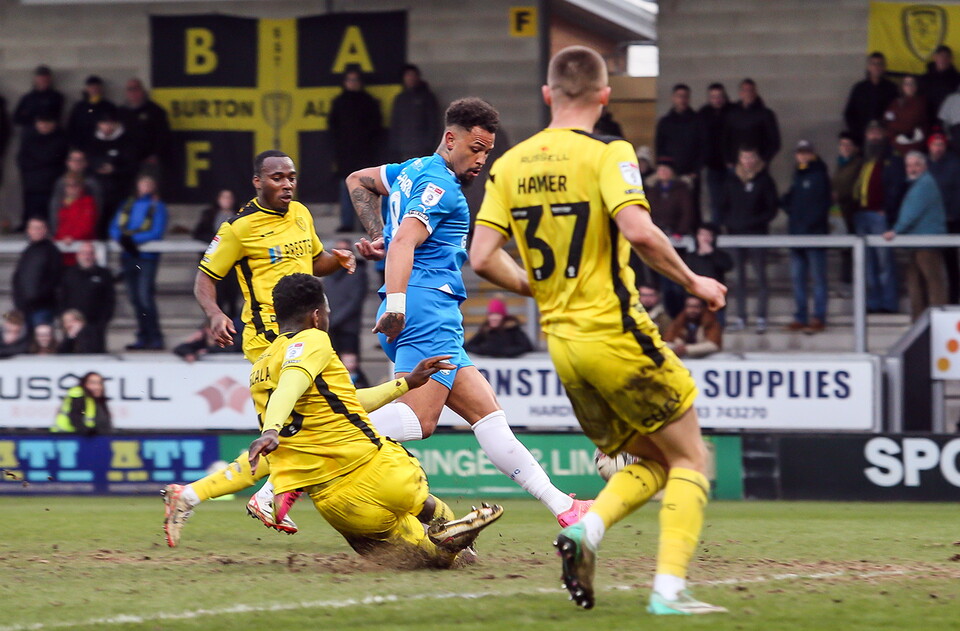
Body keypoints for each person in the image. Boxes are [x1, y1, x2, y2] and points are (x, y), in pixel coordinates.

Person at [469, 45, 727, 615]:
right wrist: (695, 282)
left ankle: (587, 531)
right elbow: (638, 230)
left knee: (654, 462)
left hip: (562, 349)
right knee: (691, 459)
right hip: (615, 333)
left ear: (547, 95)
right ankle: (668, 592)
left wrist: (536, 289)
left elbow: (483, 257)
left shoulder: (509, 165)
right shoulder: (609, 152)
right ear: (605, 96)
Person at [346, 98, 592, 528]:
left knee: (487, 414)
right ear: (450, 138)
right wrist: (400, 300)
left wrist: (377, 236)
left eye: (487, 151)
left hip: (416, 305)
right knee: (419, 421)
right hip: (425, 308)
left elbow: (358, 181)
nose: (481, 159)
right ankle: (311, 451)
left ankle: (564, 506)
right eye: (475, 148)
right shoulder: (441, 187)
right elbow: (405, 241)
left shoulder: (409, 170)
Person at [161, 150, 357, 546]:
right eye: (277, 178)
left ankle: (196, 495)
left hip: (308, 332)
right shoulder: (238, 228)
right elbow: (205, 279)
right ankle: (269, 498)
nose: (286, 184)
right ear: (257, 182)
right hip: (270, 343)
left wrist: (340, 259)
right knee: (312, 428)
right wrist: (215, 315)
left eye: (291, 177)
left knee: (302, 431)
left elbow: (313, 260)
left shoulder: (301, 213)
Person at [244, 273, 504, 567]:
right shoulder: (313, 340)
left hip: (336, 501)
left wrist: (406, 384)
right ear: (316, 316)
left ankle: (447, 548)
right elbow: (291, 384)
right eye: (327, 311)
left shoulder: (261, 364)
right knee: (428, 508)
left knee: (426, 561)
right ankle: (452, 535)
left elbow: (349, 402)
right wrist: (271, 430)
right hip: (378, 470)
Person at [719, 147, 778, 333]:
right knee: (738, 280)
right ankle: (741, 317)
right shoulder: (731, 180)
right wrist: (730, 223)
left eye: (751, 157)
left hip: (757, 235)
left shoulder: (765, 180)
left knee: (761, 277)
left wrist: (755, 222)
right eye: (744, 157)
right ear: (739, 159)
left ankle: (761, 317)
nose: (748, 161)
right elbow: (722, 205)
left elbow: (771, 208)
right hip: (735, 235)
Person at [883, 151, 947, 320]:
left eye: (916, 165)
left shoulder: (924, 185)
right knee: (916, 285)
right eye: (909, 165)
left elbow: (910, 213)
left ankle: (937, 322)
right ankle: (920, 325)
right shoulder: (917, 184)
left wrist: (895, 230)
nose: (912, 169)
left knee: (934, 285)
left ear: (925, 166)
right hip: (917, 244)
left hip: (926, 244)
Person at [109, 174, 166, 350]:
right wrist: (123, 239)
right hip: (128, 256)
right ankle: (143, 336)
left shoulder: (158, 206)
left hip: (146, 257)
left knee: (144, 296)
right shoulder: (128, 204)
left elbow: (156, 232)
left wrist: (132, 240)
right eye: (143, 183)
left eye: (149, 183)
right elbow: (114, 227)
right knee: (134, 298)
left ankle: (154, 336)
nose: (145, 186)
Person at [781, 140, 831, 333]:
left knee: (818, 278)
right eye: (800, 152)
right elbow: (791, 199)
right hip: (797, 236)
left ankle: (818, 317)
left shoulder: (819, 175)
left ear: (813, 153)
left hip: (814, 236)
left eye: (806, 152)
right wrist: (789, 210)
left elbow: (821, 206)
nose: (803, 156)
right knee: (798, 278)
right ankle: (800, 316)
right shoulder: (798, 175)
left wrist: (807, 225)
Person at [854, 120, 903, 314]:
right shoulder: (863, 159)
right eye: (870, 133)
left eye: (877, 132)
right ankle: (873, 302)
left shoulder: (892, 158)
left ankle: (888, 303)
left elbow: (897, 187)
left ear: (884, 135)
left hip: (879, 215)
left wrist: (887, 209)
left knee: (884, 262)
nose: (874, 136)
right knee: (867, 262)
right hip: (861, 215)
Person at [329, 69, 383, 233]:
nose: (352, 83)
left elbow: (376, 127)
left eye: (355, 80)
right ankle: (347, 223)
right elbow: (333, 129)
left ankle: (366, 225)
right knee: (345, 190)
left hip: (365, 155)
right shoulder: (339, 103)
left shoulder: (369, 102)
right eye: (349, 80)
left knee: (365, 192)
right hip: (344, 155)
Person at [87, 106, 139, 238]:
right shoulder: (93, 142)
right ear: (98, 125)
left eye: (110, 123)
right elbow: (89, 165)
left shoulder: (127, 141)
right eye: (104, 123)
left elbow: (132, 166)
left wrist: (114, 170)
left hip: (120, 193)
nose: (107, 126)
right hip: (97, 194)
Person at [191, 189, 241, 319]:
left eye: (229, 198)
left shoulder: (241, 216)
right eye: (224, 197)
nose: (227, 201)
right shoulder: (209, 214)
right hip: (214, 262)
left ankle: (233, 328)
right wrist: (217, 242)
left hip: (233, 265)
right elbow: (198, 233)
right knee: (215, 294)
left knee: (232, 296)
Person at [58, 241, 114, 353]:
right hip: (72, 324)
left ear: (95, 255)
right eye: (84, 253)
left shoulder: (104, 274)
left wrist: (103, 321)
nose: (87, 256)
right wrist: (66, 319)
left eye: (90, 253)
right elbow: (61, 297)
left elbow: (109, 300)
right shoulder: (69, 273)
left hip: (95, 325)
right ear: (78, 255)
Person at [655, 84, 705, 208]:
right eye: (679, 96)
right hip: (670, 172)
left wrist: (696, 171)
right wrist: (664, 168)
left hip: (691, 173)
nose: (682, 100)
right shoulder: (665, 122)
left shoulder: (698, 121)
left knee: (691, 206)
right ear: (673, 98)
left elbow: (703, 147)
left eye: (685, 97)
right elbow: (659, 146)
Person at [16, 112, 68, 229]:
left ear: (53, 124)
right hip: (31, 181)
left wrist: (37, 161)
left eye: (46, 123)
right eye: (40, 123)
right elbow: (21, 159)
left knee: (49, 208)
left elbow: (51, 157)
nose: (43, 126)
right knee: (30, 206)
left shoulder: (61, 138)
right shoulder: (29, 137)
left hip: (51, 181)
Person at [927, 133, 960, 302]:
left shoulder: (954, 164)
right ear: (929, 146)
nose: (938, 148)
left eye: (941, 145)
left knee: (951, 263)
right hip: (931, 223)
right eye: (935, 145)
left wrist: (952, 215)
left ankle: (953, 298)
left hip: (950, 221)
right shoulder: (924, 164)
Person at [12, 218, 62, 329]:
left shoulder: (52, 251)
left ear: (45, 230)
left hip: (43, 308)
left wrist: (37, 297)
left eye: (40, 228)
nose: (37, 231)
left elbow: (54, 278)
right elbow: (18, 277)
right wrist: (19, 301)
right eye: (34, 228)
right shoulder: (27, 251)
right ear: (28, 230)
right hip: (24, 308)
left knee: (42, 342)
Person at [325, 238, 368, 361]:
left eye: (345, 250)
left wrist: (335, 319)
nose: (341, 254)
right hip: (331, 328)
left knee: (350, 363)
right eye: (338, 250)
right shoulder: (328, 273)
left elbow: (355, 300)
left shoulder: (358, 273)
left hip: (348, 328)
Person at [683, 223, 733, 326]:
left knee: (716, 328)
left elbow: (727, 266)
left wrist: (711, 253)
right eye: (702, 234)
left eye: (709, 235)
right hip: (694, 300)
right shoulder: (690, 257)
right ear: (697, 236)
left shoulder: (720, 255)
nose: (705, 238)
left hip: (714, 300)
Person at [844, 52, 899, 147]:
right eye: (873, 64)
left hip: (886, 139)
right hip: (862, 139)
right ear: (868, 67)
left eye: (880, 64)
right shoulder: (859, 88)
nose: (876, 67)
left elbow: (898, 113)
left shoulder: (892, 88)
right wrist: (859, 132)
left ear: (884, 67)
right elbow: (849, 113)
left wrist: (887, 131)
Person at [722, 79, 780, 166]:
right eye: (745, 90)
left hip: (758, 165)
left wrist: (763, 160)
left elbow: (775, 142)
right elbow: (725, 139)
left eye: (751, 90)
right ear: (740, 93)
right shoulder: (732, 114)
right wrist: (728, 160)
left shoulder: (766, 114)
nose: (748, 93)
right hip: (735, 165)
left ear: (755, 93)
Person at [389, 64, 440, 161]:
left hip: (422, 148)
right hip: (404, 148)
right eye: (407, 76)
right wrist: (395, 146)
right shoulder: (400, 98)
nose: (410, 78)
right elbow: (396, 123)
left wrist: (429, 144)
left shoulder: (427, 97)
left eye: (412, 75)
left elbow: (433, 122)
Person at [119, 78, 171, 169]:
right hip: (126, 160)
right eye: (129, 89)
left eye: (136, 88)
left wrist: (155, 154)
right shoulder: (120, 112)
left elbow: (163, 136)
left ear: (142, 90)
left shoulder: (155, 111)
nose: (132, 92)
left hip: (148, 160)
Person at [700, 83, 732, 223]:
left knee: (733, 201)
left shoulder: (733, 112)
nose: (717, 99)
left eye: (719, 96)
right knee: (715, 202)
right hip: (712, 166)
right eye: (713, 97)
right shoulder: (703, 114)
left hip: (732, 166)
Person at [48, 150, 103, 233]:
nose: (76, 163)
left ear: (85, 163)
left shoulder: (92, 184)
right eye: (73, 160)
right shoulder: (60, 182)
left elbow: (97, 210)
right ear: (68, 162)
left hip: (86, 234)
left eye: (80, 160)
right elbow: (55, 208)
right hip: (62, 234)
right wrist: (56, 232)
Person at [464, 297, 534, 358]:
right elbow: (469, 346)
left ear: (503, 317)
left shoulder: (513, 330)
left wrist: (504, 351)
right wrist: (485, 350)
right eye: (491, 314)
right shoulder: (485, 330)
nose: (493, 318)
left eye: (497, 314)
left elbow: (526, 347)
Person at [647, 158, 698, 238]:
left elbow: (687, 212)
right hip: (655, 230)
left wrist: (680, 231)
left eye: (666, 170)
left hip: (675, 232)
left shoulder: (682, 190)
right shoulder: (652, 190)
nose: (663, 172)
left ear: (672, 172)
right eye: (660, 170)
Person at [53, 174, 97, 265]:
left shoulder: (88, 203)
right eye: (68, 186)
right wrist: (59, 239)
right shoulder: (62, 204)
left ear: (81, 187)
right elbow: (59, 227)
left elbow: (87, 226)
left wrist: (72, 237)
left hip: (81, 253)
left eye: (74, 185)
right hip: (64, 252)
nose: (71, 188)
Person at [67, 75, 114, 150]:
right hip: (82, 146)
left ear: (101, 89)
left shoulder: (108, 106)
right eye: (92, 87)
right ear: (87, 89)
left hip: (103, 147)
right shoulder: (79, 107)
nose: (94, 90)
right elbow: (71, 126)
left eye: (97, 87)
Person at [884, 74, 927, 155]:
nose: (909, 86)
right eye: (906, 84)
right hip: (896, 146)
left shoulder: (921, 103)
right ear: (902, 86)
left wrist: (896, 125)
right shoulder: (895, 103)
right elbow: (887, 120)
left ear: (916, 86)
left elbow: (911, 122)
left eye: (912, 83)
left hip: (914, 146)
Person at [12, 65, 64, 129]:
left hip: (51, 133)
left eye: (45, 79)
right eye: (40, 78)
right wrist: (33, 122)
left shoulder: (56, 97)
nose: (42, 81)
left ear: (50, 79)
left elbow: (56, 116)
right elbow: (16, 118)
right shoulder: (27, 98)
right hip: (31, 132)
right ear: (35, 79)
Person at [923, 45, 960, 124]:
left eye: (947, 57)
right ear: (934, 57)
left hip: (949, 121)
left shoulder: (957, 79)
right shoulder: (924, 78)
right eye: (941, 56)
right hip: (927, 120)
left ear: (951, 59)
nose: (943, 59)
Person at [172, 322, 240, 362]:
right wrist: (189, 354)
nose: (214, 332)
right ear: (206, 330)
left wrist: (208, 350)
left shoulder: (227, 340)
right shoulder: (201, 342)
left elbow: (234, 348)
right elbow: (180, 348)